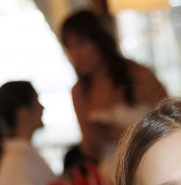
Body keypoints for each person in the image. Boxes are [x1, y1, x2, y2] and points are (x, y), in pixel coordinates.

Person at [61, 10, 167, 165]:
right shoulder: (79, 92)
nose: (75, 54)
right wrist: (92, 139)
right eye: (69, 47)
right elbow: (91, 154)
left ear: (99, 40)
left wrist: (121, 134)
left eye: (80, 44)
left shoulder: (139, 74)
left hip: (152, 162)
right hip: (110, 171)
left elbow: (171, 123)